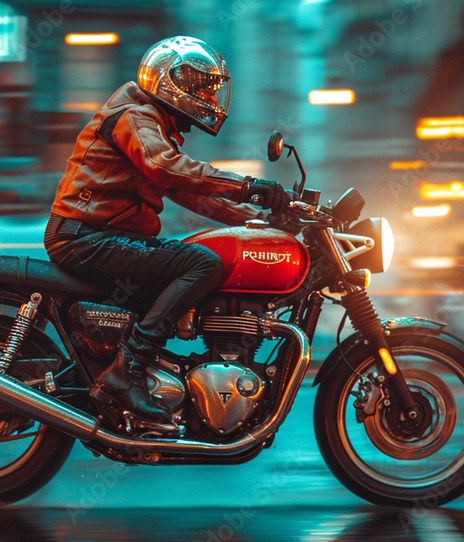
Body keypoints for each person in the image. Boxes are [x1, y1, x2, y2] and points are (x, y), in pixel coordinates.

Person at [44, 36, 288, 423]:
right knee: (203, 264)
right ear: (172, 83)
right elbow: (167, 167)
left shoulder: (151, 122)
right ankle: (128, 371)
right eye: (201, 86)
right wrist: (248, 185)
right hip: (86, 237)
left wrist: (255, 222)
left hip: (99, 236)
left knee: (192, 261)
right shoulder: (134, 116)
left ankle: (143, 370)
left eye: (212, 88)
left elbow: (183, 191)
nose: (209, 96)